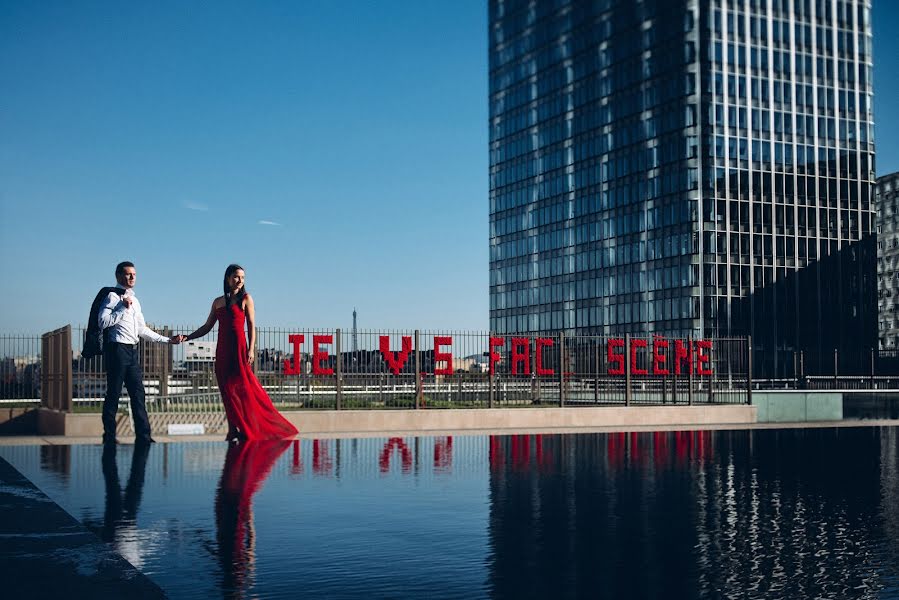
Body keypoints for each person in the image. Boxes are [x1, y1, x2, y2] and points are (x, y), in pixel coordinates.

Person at [185, 264, 298, 441]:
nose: (240, 281)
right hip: (222, 350)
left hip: (239, 349)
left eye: (243, 278)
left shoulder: (246, 298)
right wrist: (188, 336)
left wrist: (251, 349)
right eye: (237, 277)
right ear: (228, 278)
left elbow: (252, 326)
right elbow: (207, 327)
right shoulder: (218, 302)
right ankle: (232, 430)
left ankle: (247, 427)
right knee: (226, 390)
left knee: (244, 389)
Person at [99, 261, 183, 445]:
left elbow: (142, 329)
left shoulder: (135, 301)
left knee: (138, 394)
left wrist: (168, 340)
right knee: (113, 394)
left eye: (134, 274)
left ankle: (144, 437)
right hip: (116, 349)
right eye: (128, 274)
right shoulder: (112, 297)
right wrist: (122, 308)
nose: (132, 277)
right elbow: (102, 322)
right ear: (119, 276)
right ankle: (109, 437)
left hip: (131, 351)